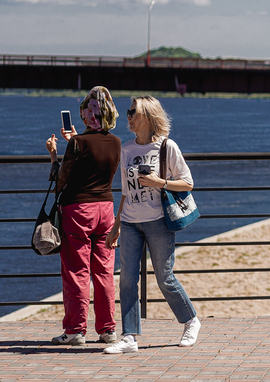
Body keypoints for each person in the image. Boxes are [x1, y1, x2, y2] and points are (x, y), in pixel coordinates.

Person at [103, 96, 200, 353]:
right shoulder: (126, 150)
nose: (129, 117)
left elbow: (188, 183)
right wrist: (117, 224)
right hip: (132, 223)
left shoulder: (167, 148)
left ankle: (191, 321)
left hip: (159, 222)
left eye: (133, 112)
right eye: (128, 112)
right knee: (127, 280)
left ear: (147, 115)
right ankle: (129, 337)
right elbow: (124, 191)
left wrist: (160, 183)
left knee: (164, 278)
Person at [45, 86, 122, 346]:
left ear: (86, 115)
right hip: (106, 210)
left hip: (78, 211)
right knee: (104, 272)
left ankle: (75, 331)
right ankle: (108, 329)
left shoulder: (79, 143)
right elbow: (95, 161)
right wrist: (73, 143)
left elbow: (60, 180)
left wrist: (54, 154)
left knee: (77, 271)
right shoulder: (116, 142)